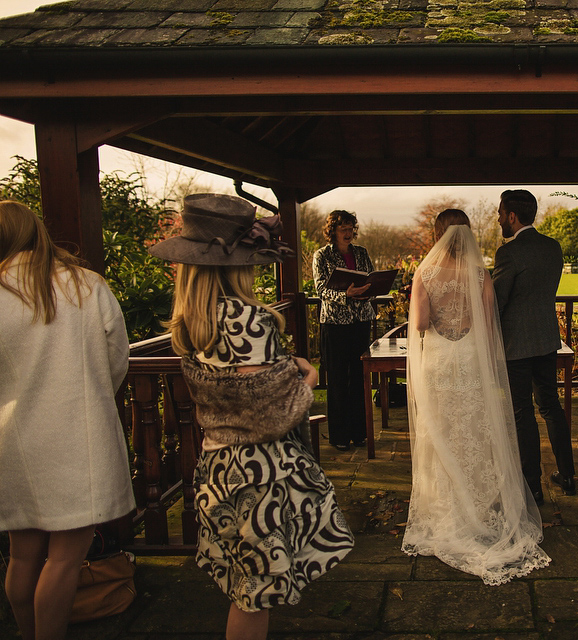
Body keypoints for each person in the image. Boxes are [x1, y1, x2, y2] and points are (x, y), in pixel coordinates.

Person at [149, 194, 353, 640]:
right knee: (256, 595)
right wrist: (305, 379)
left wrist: (280, 370)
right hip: (258, 474)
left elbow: (233, 390)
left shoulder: (191, 320)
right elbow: (269, 412)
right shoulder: (248, 319)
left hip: (216, 464)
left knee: (242, 585)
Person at [0, 200, 135, 640]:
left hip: (13, 443)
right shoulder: (85, 285)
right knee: (63, 560)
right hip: (78, 439)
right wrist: (90, 395)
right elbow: (116, 360)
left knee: (22, 557)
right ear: (36, 231)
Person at [402, 209, 550, 585]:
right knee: (474, 429)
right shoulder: (480, 274)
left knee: (441, 432)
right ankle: (480, 510)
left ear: (439, 235)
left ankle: (447, 509)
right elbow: (488, 324)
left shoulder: (425, 272)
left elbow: (418, 324)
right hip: (469, 359)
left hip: (438, 359)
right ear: (466, 234)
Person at [493, 189, 575, 505]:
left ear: (512, 217)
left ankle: (532, 486)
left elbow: (499, 301)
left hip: (516, 344)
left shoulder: (509, 253)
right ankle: (567, 476)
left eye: (501, 214)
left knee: (522, 412)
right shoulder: (552, 247)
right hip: (545, 338)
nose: (500, 219)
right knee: (551, 405)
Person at [312, 210, 375, 451]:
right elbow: (321, 290)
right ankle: (339, 436)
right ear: (333, 232)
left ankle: (360, 433)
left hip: (360, 320)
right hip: (335, 323)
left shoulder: (361, 252)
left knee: (360, 377)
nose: (348, 233)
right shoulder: (322, 256)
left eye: (351, 228)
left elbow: (370, 278)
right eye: (343, 229)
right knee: (338, 379)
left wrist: (369, 289)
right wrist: (344, 294)